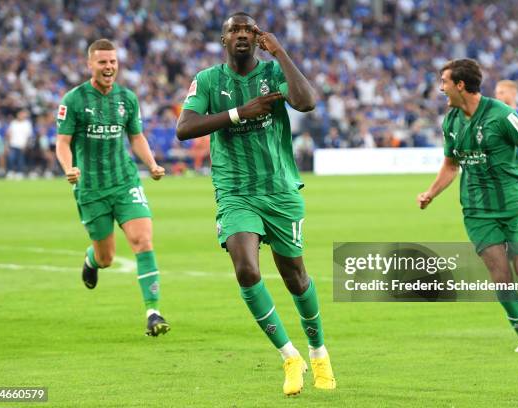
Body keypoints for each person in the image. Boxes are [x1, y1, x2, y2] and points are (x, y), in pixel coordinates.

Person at [176, 12, 336, 396]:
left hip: (279, 190)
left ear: (258, 37)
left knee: (295, 277)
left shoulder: (273, 73)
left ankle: (318, 351)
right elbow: (184, 128)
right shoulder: (209, 80)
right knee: (246, 270)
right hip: (236, 190)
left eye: (249, 30)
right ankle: (289, 355)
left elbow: (307, 102)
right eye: (235, 30)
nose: (243, 35)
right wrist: (238, 113)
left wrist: (280, 53)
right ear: (224, 39)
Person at [417, 59, 518, 353]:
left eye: (444, 82)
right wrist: (431, 193)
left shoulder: (503, 115)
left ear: (460, 85)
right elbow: (450, 165)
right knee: (499, 273)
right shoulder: (451, 122)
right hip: (476, 210)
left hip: (513, 203)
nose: (441, 88)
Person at [55, 39, 170, 337]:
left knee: (142, 240)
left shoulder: (127, 98)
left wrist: (152, 164)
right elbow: (63, 143)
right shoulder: (74, 99)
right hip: (91, 188)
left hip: (125, 182)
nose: (109, 67)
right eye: (102, 62)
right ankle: (91, 259)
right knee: (106, 257)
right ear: (90, 64)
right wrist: (69, 168)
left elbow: (136, 137)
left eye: (113, 62)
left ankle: (153, 311)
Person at [6, 109, 33, 179]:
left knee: (20, 160)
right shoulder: (13, 123)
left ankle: (19, 172)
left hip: (22, 145)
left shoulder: (27, 124)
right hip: (13, 144)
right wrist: (8, 144)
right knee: (11, 159)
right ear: (18, 115)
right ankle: (11, 172)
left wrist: (26, 145)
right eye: (20, 114)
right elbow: (9, 134)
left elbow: (28, 136)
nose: (21, 115)